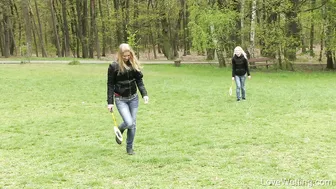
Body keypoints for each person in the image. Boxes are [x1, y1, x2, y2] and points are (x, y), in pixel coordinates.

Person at [107, 43, 149, 155]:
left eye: (128, 55)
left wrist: (144, 94)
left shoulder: (133, 64)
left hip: (134, 99)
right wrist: (110, 103)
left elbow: (139, 81)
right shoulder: (113, 67)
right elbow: (110, 85)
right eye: (124, 56)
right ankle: (120, 129)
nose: (126, 58)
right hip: (120, 99)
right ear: (120, 55)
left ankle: (129, 148)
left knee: (133, 124)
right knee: (129, 122)